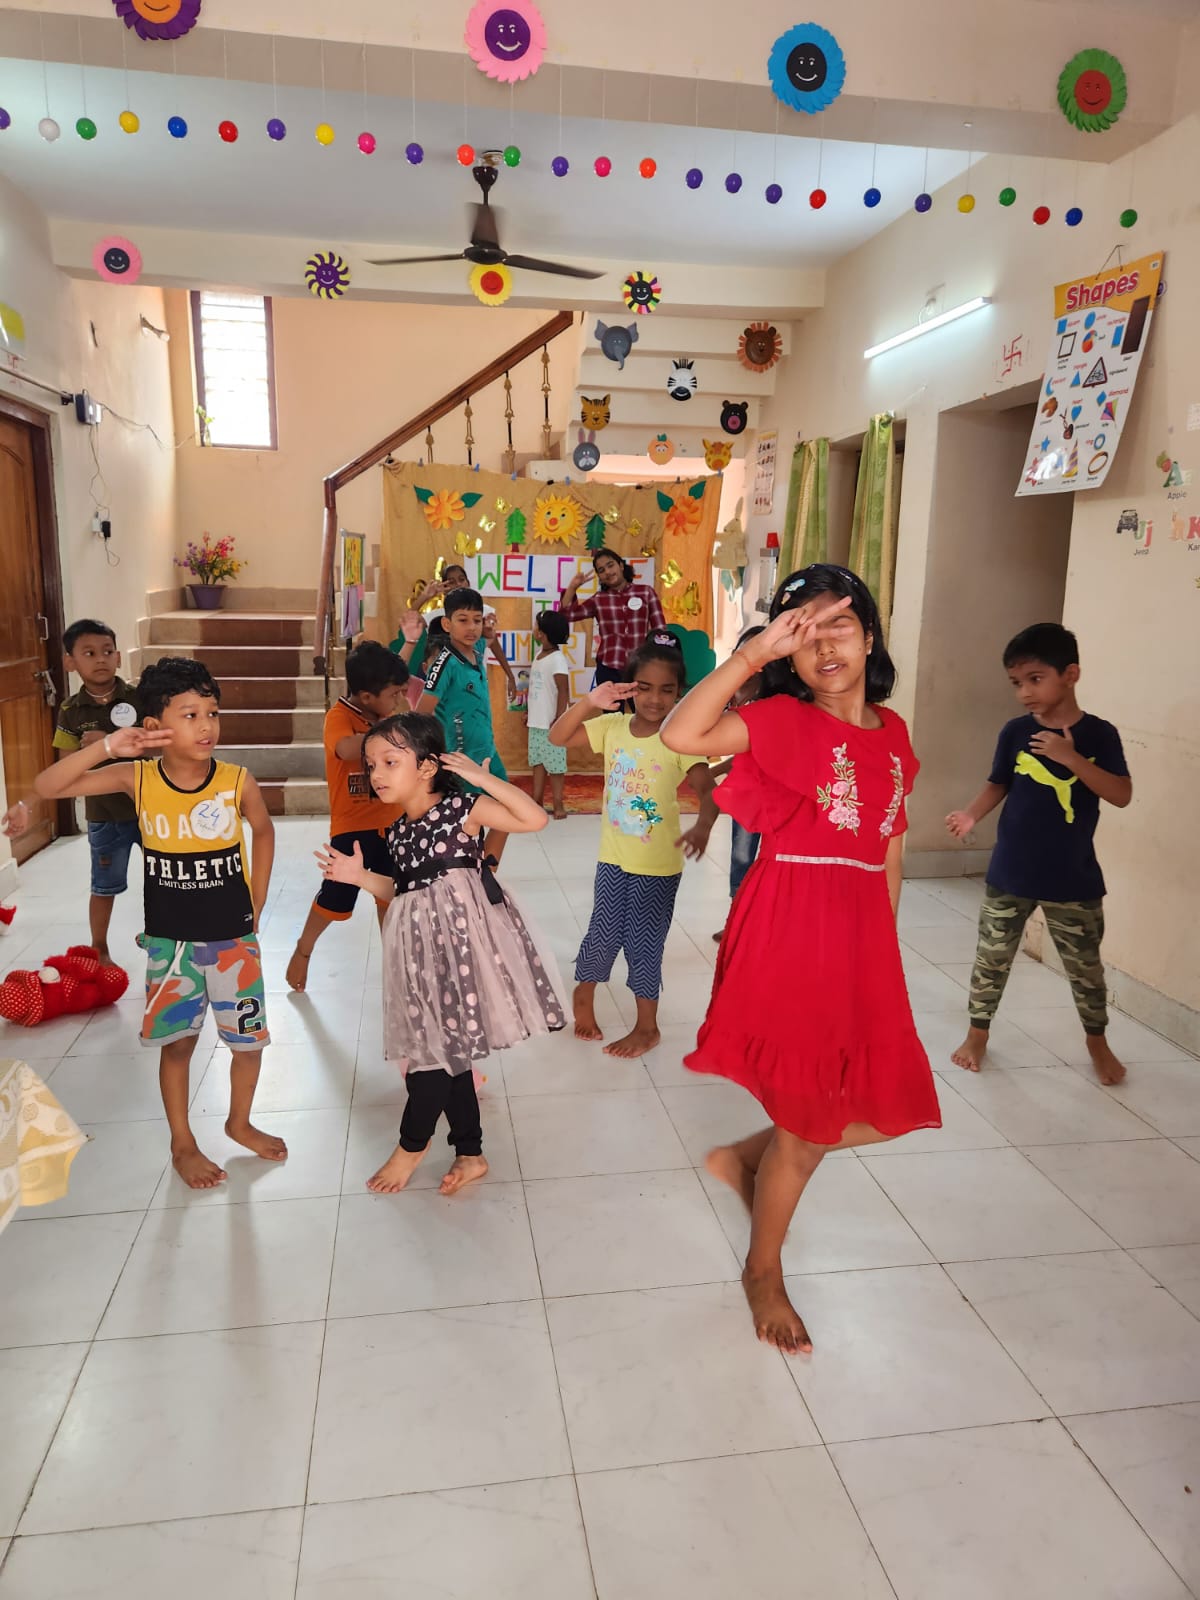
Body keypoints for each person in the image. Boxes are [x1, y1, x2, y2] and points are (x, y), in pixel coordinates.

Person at [661, 565, 941, 1355]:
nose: (823, 647)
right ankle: (763, 1271)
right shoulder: (782, 718)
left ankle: (748, 1157)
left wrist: (882, 944)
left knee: (880, 1103)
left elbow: (890, 843)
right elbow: (682, 736)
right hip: (791, 924)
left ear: (871, 636)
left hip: (858, 934)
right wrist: (753, 655)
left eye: (838, 625)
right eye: (803, 634)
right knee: (815, 1123)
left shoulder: (894, 732)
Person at [33, 656, 283, 1190]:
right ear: (154, 725)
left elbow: (263, 830)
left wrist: (257, 900)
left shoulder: (236, 780)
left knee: (249, 1043)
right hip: (172, 948)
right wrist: (108, 746)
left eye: (212, 713)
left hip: (234, 942)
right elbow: (48, 785)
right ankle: (182, 1142)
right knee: (178, 1045)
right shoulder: (136, 778)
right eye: (190, 715)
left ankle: (239, 1123)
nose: (206, 726)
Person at [315, 713, 565, 1195]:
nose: (377, 773)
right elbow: (401, 888)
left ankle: (411, 1147)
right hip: (419, 952)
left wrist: (481, 779)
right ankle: (470, 1152)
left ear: (427, 767)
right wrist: (358, 877)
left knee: (431, 1054)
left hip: (460, 949)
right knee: (448, 1049)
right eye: (371, 764)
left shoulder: (460, 809)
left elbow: (534, 819)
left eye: (390, 761)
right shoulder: (396, 831)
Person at [945, 621, 1132, 1085]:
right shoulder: (1015, 732)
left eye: (1035, 679)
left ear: (1071, 674)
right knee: (991, 959)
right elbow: (999, 783)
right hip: (1010, 872)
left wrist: (1071, 758)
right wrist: (970, 815)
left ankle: (1097, 1042)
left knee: (1085, 969)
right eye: (1016, 682)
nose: (1024, 692)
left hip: (1073, 877)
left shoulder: (1100, 735)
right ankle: (977, 1035)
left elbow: (1121, 794)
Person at [550, 634, 718, 1058]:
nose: (655, 699)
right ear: (629, 689)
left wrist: (703, 825)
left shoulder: (679, 740)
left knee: (644, 944)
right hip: (613, 859)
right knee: (603, 933)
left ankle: (647, 1028)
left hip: (658, 867)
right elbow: (557, 737)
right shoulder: (612, 728)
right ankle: (584, 993)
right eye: (645, 687)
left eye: (667, 690)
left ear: (680, 694)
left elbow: (709, 791)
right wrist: (591, 701)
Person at [1, 619, 143, 964]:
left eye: (107, 651)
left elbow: (163, 746)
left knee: (161, 878)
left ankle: (162, 936)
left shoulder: (140, 698)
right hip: (104, 815)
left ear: (119, 657)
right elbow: (62, 772)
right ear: (69, 662)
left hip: (151, 810)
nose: (100, 659)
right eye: (89, 653)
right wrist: (27, 804)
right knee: (104, 885)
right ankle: (99, 946)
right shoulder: (70, 711)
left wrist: (115, 742)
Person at [286, 641, 410, 992]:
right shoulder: (339, 717)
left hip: (394, 823)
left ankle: (396, 968)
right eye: (393, 694)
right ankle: (303, 949)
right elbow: (344, 748)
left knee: (392, 898)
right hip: (353, 828)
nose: (399, 700)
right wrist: (392, 732)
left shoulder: (386, 715)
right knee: (335, 898)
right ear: (367, 696)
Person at [418, 587, 511, 863]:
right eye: (463, 620)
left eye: (476, 620)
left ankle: (487, 871)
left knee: (509, 808)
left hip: (488, 753)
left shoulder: (477, 648)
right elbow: (421, 714)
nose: (472, 627)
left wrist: (489, 632)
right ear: (447, 624)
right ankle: (467, 873)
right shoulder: (443, 664)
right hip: (461, 761)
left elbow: (487, 639)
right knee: (467, 827)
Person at [710, 625, 765, 943]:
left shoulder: (769, 702)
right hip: (746, 797)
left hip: (771, 796)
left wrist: (716, 770)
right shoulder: (734, 696)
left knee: (768, 862)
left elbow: (753, 753)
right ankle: (736, 919)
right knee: (741, 858)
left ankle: (761, 922)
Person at [558, 547, 665, 689]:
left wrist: (657, 663)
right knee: (610, 705)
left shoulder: (646, 592)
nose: (607, 572)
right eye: (601, 570)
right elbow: (567, 615)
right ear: (600, 577)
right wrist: (573, 587)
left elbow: (660, 631)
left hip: (641, 666)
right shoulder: (598, 599)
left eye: (610, 565)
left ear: (621, 565)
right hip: (609, 667)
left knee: (641, 704)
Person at [407, 566, 519, 701]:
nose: (458, 584)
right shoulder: (436, 616)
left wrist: (510, 676)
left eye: (461, 579)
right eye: (451, 582)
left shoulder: (483, 611)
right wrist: (425, 596)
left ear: (468, 583)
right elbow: (408, 622)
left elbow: (493, 642)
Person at [527, 609, 571, 819]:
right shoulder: (539, 655)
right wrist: (528, 712)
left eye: (536, 625)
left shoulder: (557, 659)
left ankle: (558, 803)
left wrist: (559, 719)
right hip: (536, 722)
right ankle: (536, 801)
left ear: (542, 634)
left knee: (555, 766)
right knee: (538, 762)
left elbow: (563, 690)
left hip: (552, 724)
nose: (533, 629)